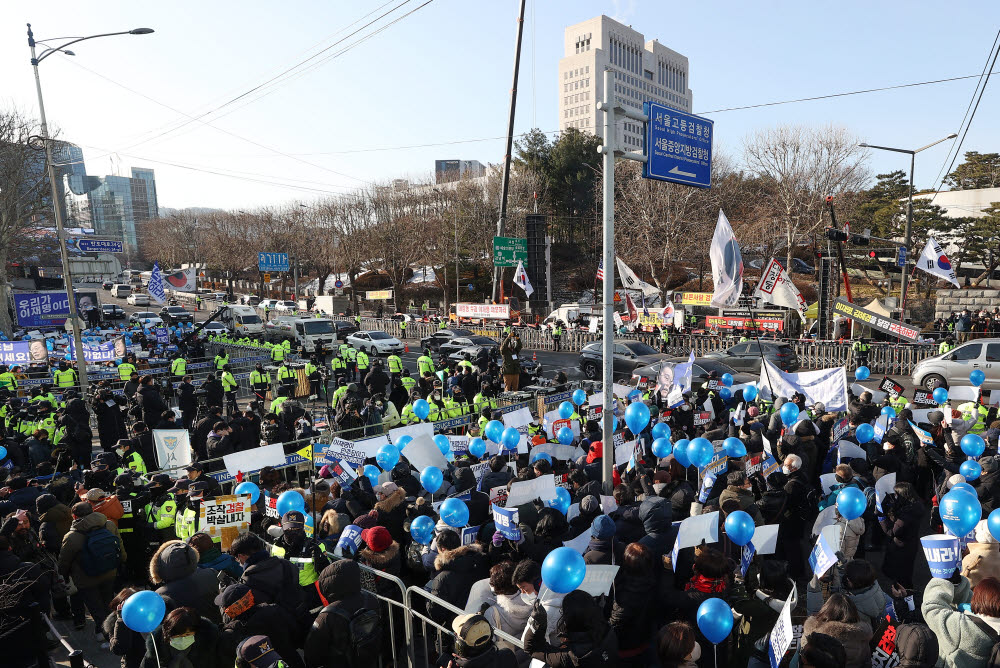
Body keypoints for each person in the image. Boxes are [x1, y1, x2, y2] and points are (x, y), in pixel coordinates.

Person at [58, 502, 125, 634]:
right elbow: (120, 546)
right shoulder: (109, 525)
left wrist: (64, 575)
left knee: (96, 608)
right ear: (93, 511)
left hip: (86, 579)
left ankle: (106, 635)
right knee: (108, 602)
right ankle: (115, 629)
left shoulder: (71, 537)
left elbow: (64, 561)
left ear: (74, 516)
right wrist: (121, 562)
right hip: (109, 571)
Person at [304, 559, 383, 668]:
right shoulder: (370, 599)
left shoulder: (327, 615)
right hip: (368, 659)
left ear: (327, 585)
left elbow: (312, 652)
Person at [523, 589, 618, 666]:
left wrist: (538, 624)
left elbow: (532, 649)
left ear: (568, 619)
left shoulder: (570, 657)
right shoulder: (609, 631)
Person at [149, 540, 221, 623]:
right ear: (193, 556)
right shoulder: (212, 573)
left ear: (160, 566)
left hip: (188, 634)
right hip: (217, 631)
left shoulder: (161, 596)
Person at [802, 594, 872, 668]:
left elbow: (801, 659)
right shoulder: (861, 636)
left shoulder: (812, 634)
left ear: (826, 609)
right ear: (853, 612)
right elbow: (866, 663)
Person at [141, 606, 222, 668]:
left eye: (187, 635)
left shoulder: (210, 644)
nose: (183, 639)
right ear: (168, 634)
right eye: (178, 636)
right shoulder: (156, 649)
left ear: (196, 632)